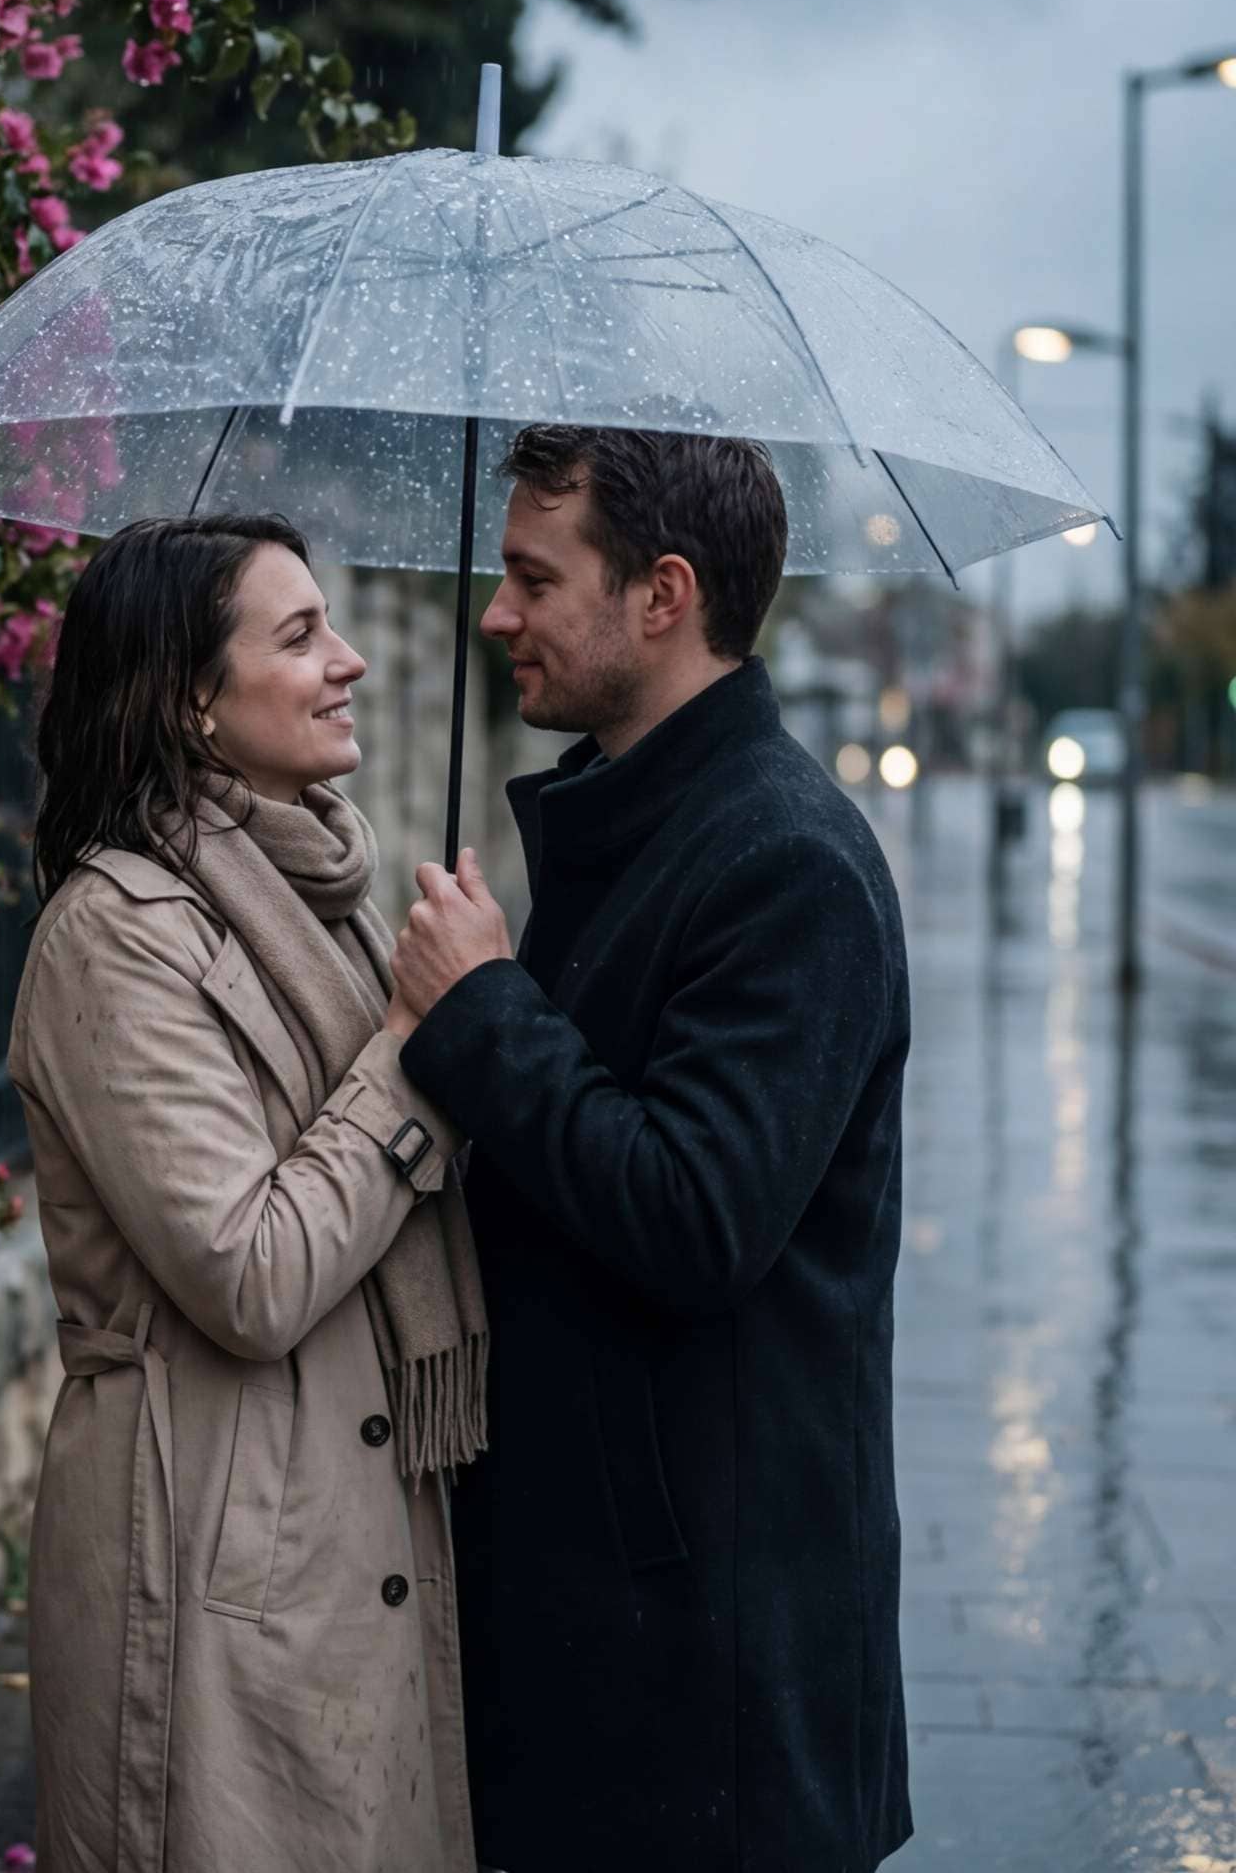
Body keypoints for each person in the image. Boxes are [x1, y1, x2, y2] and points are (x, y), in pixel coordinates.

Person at [390, 426, 913, 1873]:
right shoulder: (638, 823)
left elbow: (699, 1216)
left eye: (533, 578)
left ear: (662, 594)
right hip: (606, 1627)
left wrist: (486, 1013)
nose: (497, 616)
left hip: (711, 1679)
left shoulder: (785, 862)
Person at [9, 512, 485, 1873]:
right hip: (208, 1569)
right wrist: (409, 1051)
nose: (350, 663)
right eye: (298, 636)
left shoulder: (317, 901)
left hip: (336, 1554)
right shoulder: (117, 939)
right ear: (190, 701)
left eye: (336, 626)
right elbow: (251, 1274)